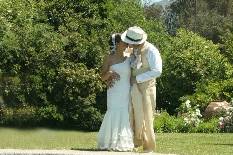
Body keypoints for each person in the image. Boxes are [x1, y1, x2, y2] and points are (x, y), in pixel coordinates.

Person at [121, 26, 162, 152]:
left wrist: (138, 78)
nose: (128, 44)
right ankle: (133, 143)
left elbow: (157, 71)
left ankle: (149, 147)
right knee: (132, 114)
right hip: (132, 86)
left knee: (147, 117)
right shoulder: (130, 49)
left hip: (147, 88)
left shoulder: (151, 50)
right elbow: (124, 62)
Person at [97, 33, 134, 151]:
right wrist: (110, 74)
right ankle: (110, 142)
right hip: (113, 91)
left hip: (126, 90)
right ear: (117, 44)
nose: (127, 44)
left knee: (125, 113)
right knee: (113, 112)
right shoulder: (108, 57)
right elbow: (102, 77)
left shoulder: (128, 53)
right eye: (124, 42)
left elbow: (137, 49)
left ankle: (123, 143)